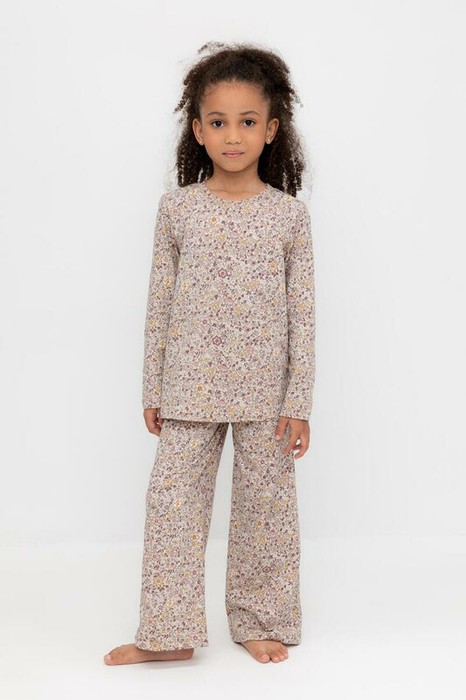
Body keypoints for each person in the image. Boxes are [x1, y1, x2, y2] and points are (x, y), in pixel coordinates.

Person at [104, 40, 316, 666]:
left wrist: (299, 401)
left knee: (265, 514)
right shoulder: (177, 209)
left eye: (247, 121)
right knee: (171, 508)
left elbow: (304, 315)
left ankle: (260, 620)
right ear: (197, 130)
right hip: (187, 386)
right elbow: (158, 305)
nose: (233, 136)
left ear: (271, 129)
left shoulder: (288, 217)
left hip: (266, 395)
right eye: (218, 122)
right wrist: (152, 387)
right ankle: (168, 634)